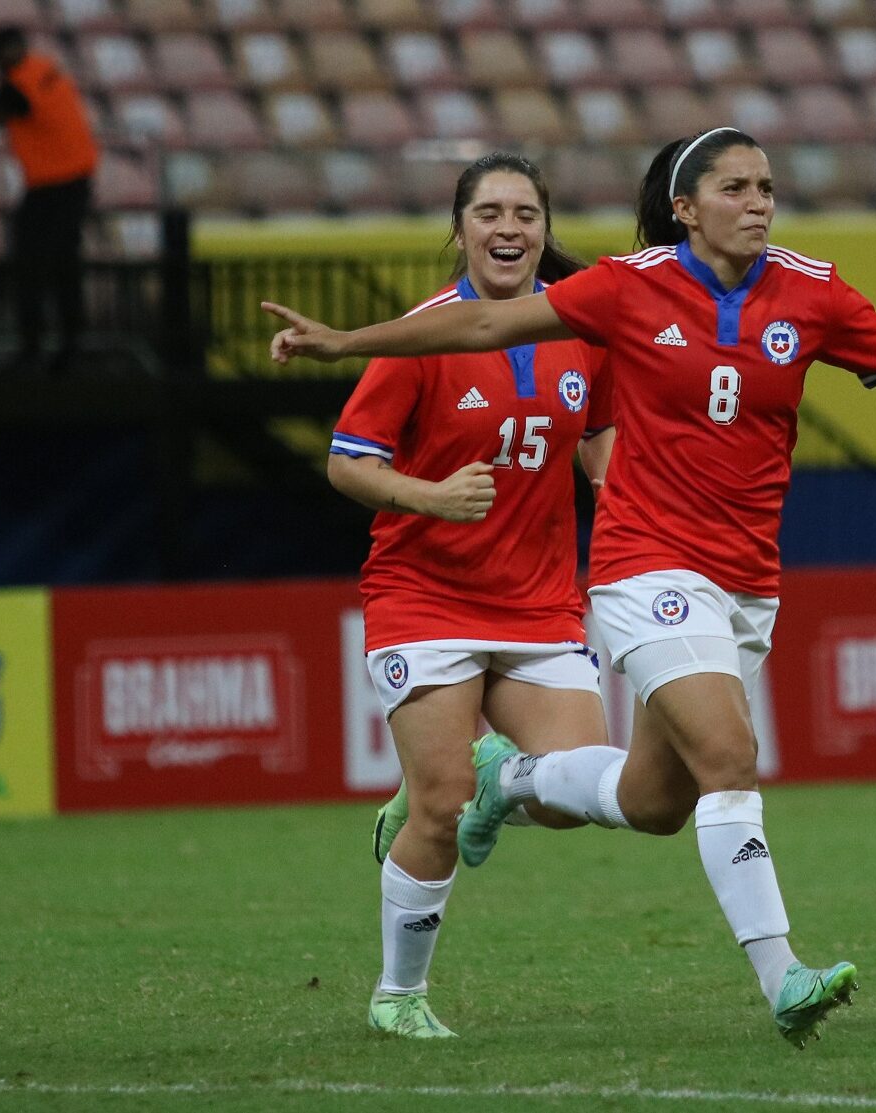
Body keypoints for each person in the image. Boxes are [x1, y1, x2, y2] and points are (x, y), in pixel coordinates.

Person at [262, 128, 876, 1049]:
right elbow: (479, 325)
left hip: (733, 580)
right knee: (728, 753)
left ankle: (508, 777)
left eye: (767, 185)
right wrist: (346, 345)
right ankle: (782, 975)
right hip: (632, 568)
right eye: (736, 186)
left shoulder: (810, 292)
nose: (760, 201)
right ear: (686, 208)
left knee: (655, 801)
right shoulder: (630, 284)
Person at [326, 153, 617, 1040]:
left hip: (538, 606)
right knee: (442, 805)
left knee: (576, 795)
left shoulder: (580, 331)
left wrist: (647, 497)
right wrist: (429, 495)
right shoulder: (426, 336)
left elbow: (598, 444)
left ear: (544, 230)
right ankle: (398, 994)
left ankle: (470, 783)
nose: (509, 228)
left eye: (526, 212)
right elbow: (347, 461)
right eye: (489, 211)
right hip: (426, 595)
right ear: (459, 232)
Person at [0, 26, 97, 376]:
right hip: (73, 180)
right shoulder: (44, 67)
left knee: (34, 266)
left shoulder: (18, 84)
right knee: (64, 265)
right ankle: (68, 348)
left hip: (53, 186)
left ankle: (36, 350)